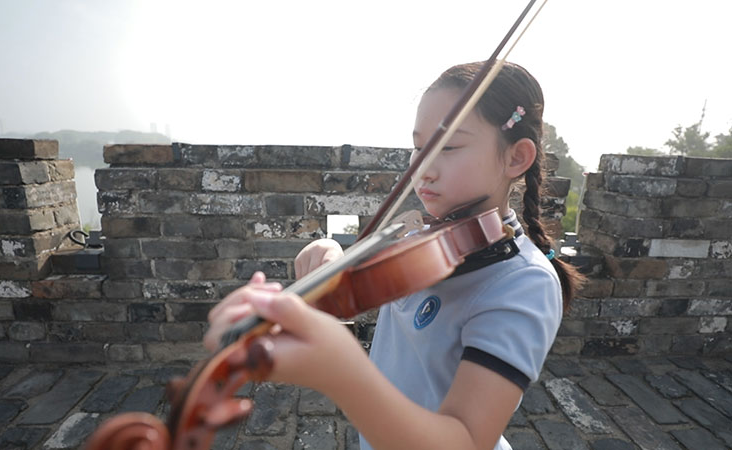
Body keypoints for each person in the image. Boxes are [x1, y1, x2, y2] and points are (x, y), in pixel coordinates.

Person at [204, 61, 583, 450]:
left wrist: (341, 372)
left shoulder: (524, 283)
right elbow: (364, 286)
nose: (423, 168)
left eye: (448, 146)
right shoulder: (429, 240)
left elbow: (466, 439)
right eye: (418, 147)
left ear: (516, 157)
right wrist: (335, 258)